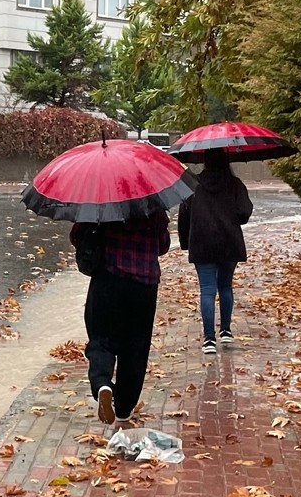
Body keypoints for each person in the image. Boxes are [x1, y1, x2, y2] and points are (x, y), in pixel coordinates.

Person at [70, 209, 171, 428]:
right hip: (144, 285)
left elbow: (77, 236)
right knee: (136, 345)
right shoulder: (153, 208)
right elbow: (163, 246)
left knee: (100, 338)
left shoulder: (101, 204)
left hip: (109, 279)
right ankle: (124, 409)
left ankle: (102, 384)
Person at [178, 148, 253, 355]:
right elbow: (245, 212)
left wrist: (186, 242)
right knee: (225, 286)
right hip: (229, 242)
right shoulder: (235, 184)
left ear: (205, 161)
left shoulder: (193, 184)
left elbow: (184, 217)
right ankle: (226, 331)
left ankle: (209, 339)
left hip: (202, 243)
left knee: (207, 290)